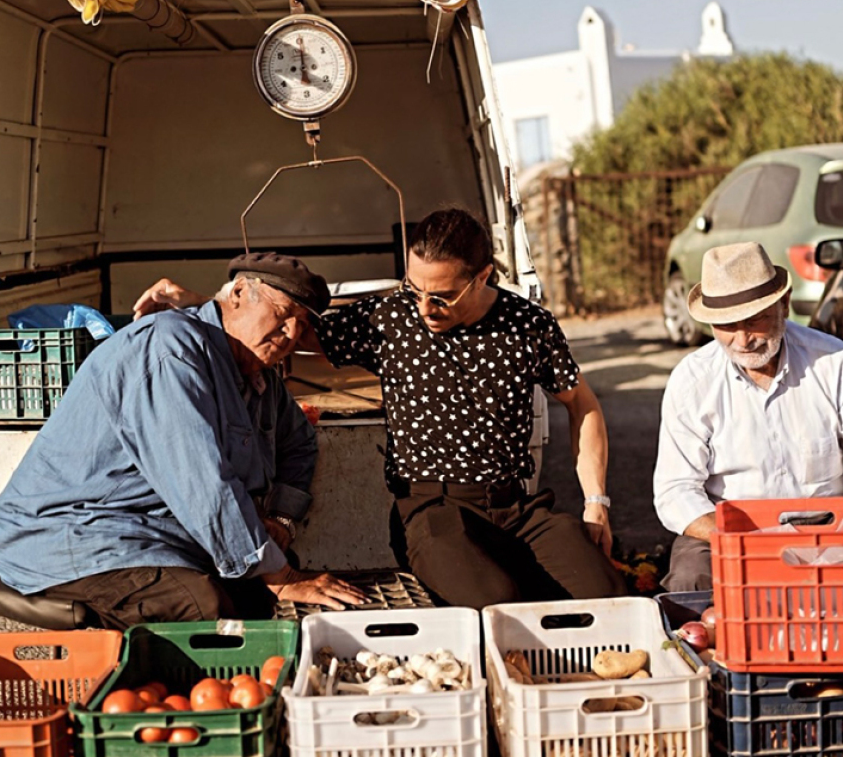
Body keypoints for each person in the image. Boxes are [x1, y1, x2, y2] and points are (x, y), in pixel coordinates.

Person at [134, 208, 624, 609]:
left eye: (443, 296)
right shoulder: (390, 317)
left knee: (607, 599)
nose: (425, 307)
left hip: (518, 508)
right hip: (434, 510)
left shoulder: (528, 324)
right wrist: (204, 303)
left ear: (483, 278)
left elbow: (581, 404)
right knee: (495, 604)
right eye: (415, 289)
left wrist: (595, 504)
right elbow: (285, 325)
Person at [0, 252, 366, 628]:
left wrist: (281, 520)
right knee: (200, 608)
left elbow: (298, 444)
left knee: (260, 596)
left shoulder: (258, 373)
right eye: (283, 314)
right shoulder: (169, 350)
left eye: (301, 326)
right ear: (236, 294)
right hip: (76, 536)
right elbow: (203, 485)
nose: (290, 335)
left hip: (156, 540)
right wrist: (280, 578)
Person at [654, 240, 843, 591]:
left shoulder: (833, 362)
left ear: (783, 305)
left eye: (754, 320)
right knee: (690, 582)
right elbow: (675, 490)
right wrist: (738, 539)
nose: (743, 340)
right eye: (726, 325)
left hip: (827, 528)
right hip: (728, 532)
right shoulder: (693, 380)